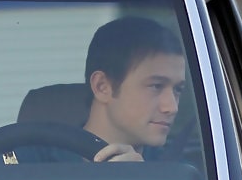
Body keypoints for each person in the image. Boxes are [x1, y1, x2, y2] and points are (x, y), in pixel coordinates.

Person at [13, 16, 187, 163]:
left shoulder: (180, 173)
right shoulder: (31, 162)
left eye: (177, 89)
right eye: (156, 86)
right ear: (102, 87)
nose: (172, 107)